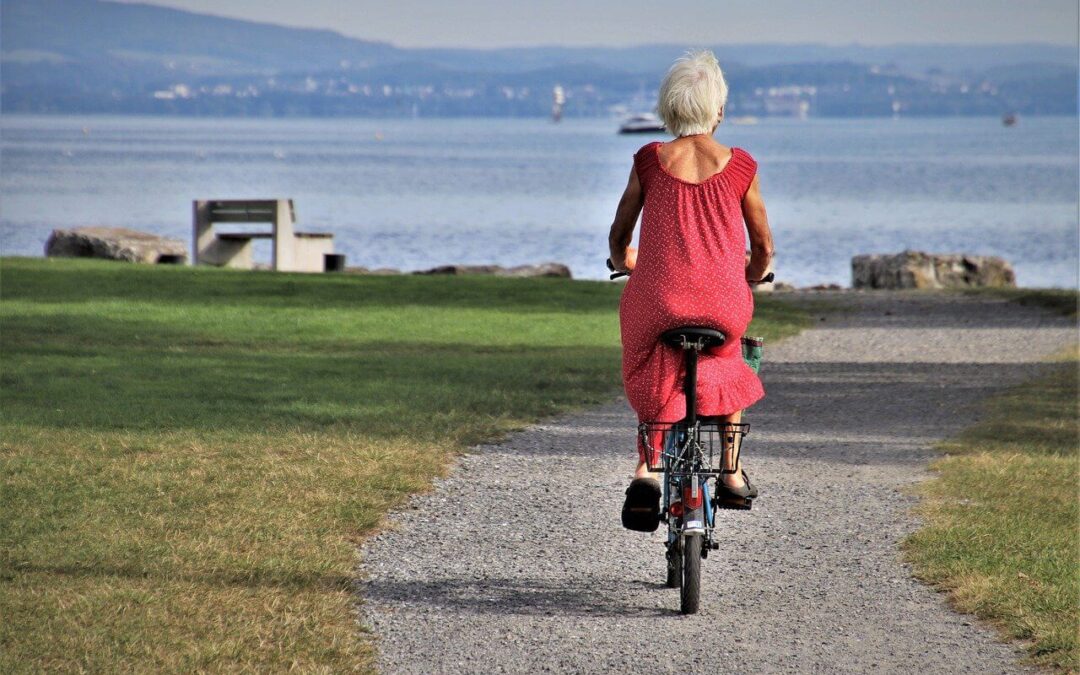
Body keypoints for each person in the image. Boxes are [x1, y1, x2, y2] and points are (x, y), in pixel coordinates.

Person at [608, 49, 774, 531]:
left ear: (668, 109)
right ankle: (731, 469)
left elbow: (620, 237)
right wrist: (754, 273)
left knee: (652, 355)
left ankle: (648, 470)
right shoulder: (741, 165)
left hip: (658, 300)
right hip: (722, 303)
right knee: (728, 358)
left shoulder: (649, 160)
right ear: (717, 110)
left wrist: (626, 263)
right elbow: (762, 244)